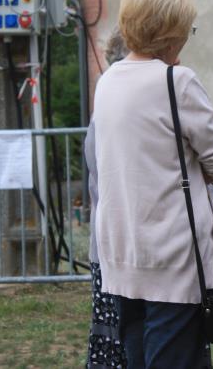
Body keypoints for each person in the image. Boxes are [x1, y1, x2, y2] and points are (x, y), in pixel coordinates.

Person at [93, 0, 213, 368]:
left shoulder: (108, 82)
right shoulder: (176, 81)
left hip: (124, 252)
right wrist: (197, 165)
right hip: (172, 254)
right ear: (172, 33)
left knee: (138, 355)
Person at [85, 29, 130, 367]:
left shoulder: (106, 100)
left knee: (115, 343)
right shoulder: (117, 104)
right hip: (122, 247)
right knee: (124, 341)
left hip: (111, 246)